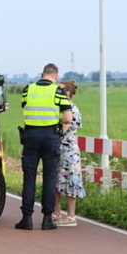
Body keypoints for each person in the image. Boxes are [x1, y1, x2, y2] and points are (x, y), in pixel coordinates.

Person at [16, 64, 72, 231]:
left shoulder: (28, 89)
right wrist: (56, 121)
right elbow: (68, 118)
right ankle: (47, 219)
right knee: (49, 179)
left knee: (29, 178)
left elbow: (25, 107)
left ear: (42, 74)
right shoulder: (58, 91)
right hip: (50, 137)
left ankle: (27, 219)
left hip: (31, 136)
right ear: (55, 77)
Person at [54, 80, 85, 226]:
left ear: (68, 93)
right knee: (56, 181)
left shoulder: (72, 110)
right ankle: (56, 212)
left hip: (68, 151)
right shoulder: (57, 108)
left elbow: (63, 129)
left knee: (70, 181)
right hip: (57, 149)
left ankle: (71, 216)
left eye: (61, 91)